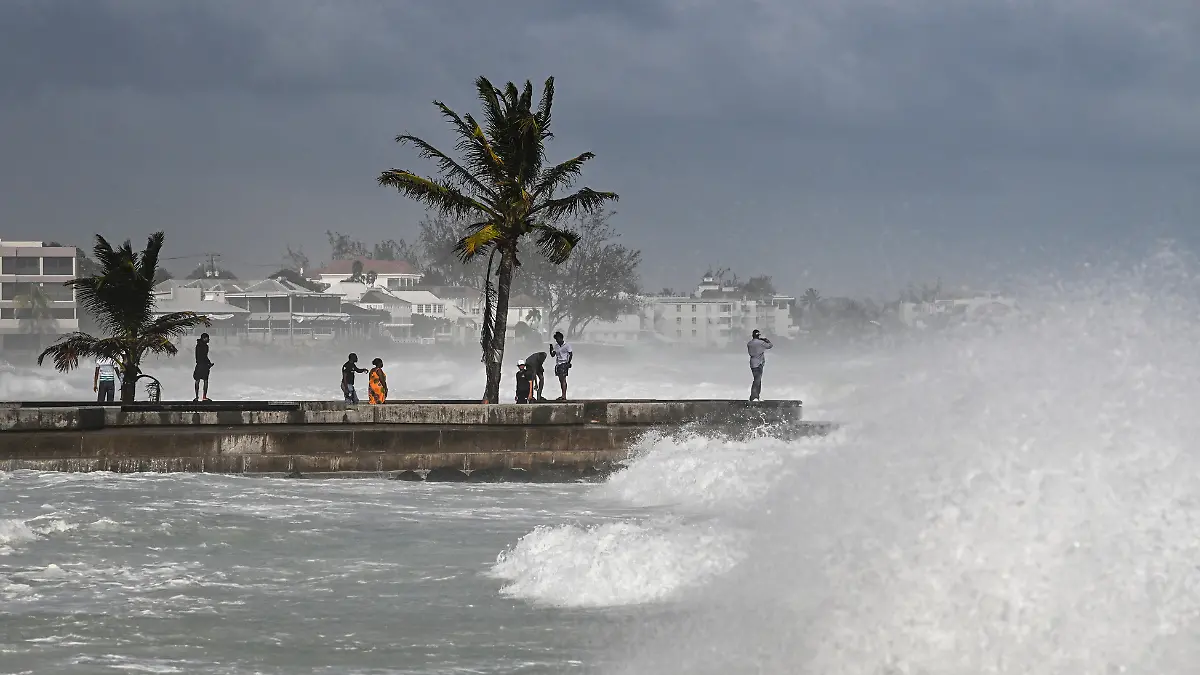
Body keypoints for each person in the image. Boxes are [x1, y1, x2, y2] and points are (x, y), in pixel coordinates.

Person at [746, 329, 773, 401]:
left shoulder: (749, 343)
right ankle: (754, 396)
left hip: (752, 363)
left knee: (757, 379)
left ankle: (756, 396)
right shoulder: (761, 343)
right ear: (758, 335)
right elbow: (770, 346)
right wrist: (766, 340)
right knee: (757, 380)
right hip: (759, 364)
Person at [549, 331, 573, 401]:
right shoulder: (556, 346)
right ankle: (563, 395)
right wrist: (551, 349)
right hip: (558, 364)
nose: (557, 340)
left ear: (561, 338)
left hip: (564, 363)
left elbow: (570, 354)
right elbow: (553, 355)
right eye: (556, 339)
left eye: (558, 339)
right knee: (560, 380)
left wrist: (568, 363)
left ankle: (564, 396)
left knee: (563, 379)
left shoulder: (567, 345)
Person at [193, 333, 214, 402]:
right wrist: (209, 364)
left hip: (198, 364)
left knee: (197, 380)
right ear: (204, 338)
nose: (208, 340)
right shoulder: (205, 346)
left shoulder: (197, 345)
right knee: (205, 380)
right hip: (204, 365)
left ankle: (196, 397)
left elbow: (198, 356)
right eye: (207, 338)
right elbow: (204, 356)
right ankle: (204, 397)